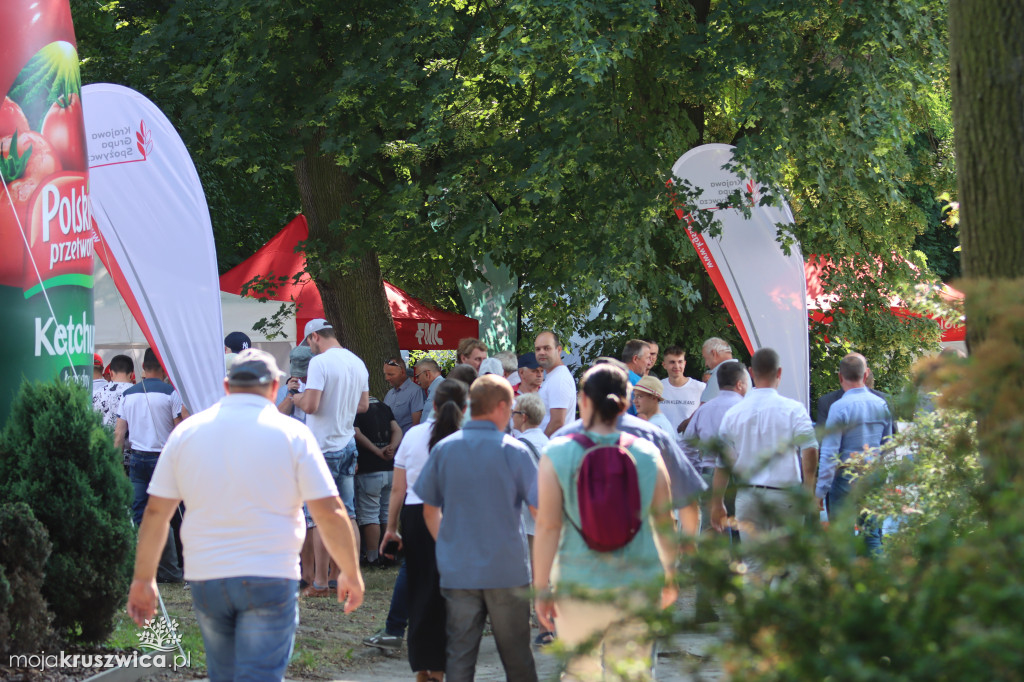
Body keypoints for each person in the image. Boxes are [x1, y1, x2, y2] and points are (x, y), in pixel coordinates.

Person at [127, 349, 364, 682]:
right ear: (274, 388)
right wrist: (350, 572)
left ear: (226, 386)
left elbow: (155, 512)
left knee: (223, 675)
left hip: (207, 575)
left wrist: (143, 579)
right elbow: (329, 511)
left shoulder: (187, 432)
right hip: (270, 573)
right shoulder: (293, 435)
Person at [533, 363, 679, 680]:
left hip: (577, 584)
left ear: (583, 401)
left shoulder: (556, 452)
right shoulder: (648, 453)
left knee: (578, 672)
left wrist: (541, 587)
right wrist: (669, 574)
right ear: (626, 405)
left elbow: (547, 526)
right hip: (638, 583)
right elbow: (665, 522)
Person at [416, 375, 539, 682]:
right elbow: (541, 512)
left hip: (459, 570)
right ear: (500, 407)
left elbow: (429, 510)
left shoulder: (443, 449)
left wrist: (446, 545)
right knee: (518, 658)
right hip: (507, 571)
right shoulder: (516, 451)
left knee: (459, 656)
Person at [380, 379, 469, 682]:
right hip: (454, 517)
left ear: (432, 404)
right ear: (465, 408)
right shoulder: (465, 438)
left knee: (419, 590)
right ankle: (443, 667)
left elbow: (398, 489)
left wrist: (392, 528)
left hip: (416, 515)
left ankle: (423, 668)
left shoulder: (414, 435)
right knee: (450, 593)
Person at [288, 319, 369, 595]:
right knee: (349, 514)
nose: (309, 348)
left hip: (322, 448)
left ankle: (320, 582)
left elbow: (310, 405)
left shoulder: (319, 363)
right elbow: (363, 405)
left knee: (320, 518)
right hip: (347, 443)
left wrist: (296, 396)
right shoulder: (357, 362)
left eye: (308, 342)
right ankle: (348, 575)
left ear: (314, 337)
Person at [712, 348, 818, 550]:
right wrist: (808, 488)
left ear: (751, 372)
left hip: (748, 497)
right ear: (779, 372)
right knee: (787, 563)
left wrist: (717, 502)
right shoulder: (794, 409)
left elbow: (723, 462)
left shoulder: (734, 413)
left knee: (753, 565)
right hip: (786, 496)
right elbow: (810, 448)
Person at [680, 360, 749, 621]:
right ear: (741, 383)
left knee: (710, 541)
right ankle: (739, 603)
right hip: (742, 478)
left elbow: (685, 445)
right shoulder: (746, 409)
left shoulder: (704, 410)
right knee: (743, 538)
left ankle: (704, 606)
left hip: (710, 478)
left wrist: (699, 470)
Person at [115, 347, 184, 583]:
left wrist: (115, 465)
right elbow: (178, 429)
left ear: (142, 368)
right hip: (163, 461)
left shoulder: (128, 395)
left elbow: (119, 434)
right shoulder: (171, 393)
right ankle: (171, 569)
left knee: (139, 515)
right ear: (164, 369)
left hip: (136, 461)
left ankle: (143, 567)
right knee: (168, 516)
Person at [816, 353, 894, 554]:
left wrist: (820, 490)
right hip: (873, 475)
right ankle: (877, 581)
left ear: (840, 377)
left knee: (842, 539)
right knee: (873, 537)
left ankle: (847, 584)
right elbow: (889, 446)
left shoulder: (838, 407)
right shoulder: (881, 405)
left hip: (844, 477)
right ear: (866, 374)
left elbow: (829, 453)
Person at [353, 396, 402, 566]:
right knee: (387, 512)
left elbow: (356, 433)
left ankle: (373, 557)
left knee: (369, 514)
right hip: (390, 468)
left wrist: (376, 450)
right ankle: (389, 555)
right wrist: (391, 448)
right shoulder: (383, 406)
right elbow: (397, 429)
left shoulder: (355, 407)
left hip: (370, 468)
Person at [534, 331, 577, 436]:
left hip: (553, 449)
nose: (541, 352)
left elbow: (557, 423)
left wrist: (539, 446)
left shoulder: (560, 379)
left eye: (547, 348)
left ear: (559, 350)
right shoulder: (554, 376)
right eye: (538, 349)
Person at [659, 346, 706, 436]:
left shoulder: (700, 388)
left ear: (684, 363)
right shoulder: (657, 387)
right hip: (664, 445)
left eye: (680, 362)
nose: (676, 366)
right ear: (664, 365)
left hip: (691, 447)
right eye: (672, 362)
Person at [93, 354, 134, 428]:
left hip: (102, 438)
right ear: (132, 374)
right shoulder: (137, 393)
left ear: (111, 373)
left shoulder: (97, 394)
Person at [384, 356, 424, 433]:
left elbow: (416, 425)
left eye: (390, 374)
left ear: (402, 372)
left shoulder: (415, 391)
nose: (387, 378)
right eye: (385, 374)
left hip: (406, 442)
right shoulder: (389, 393)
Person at [699, 337, 740, 403]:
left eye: (706, 358)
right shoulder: (743, 372)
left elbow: (705, 407)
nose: (706, 364)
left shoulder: (720, 374)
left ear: (714, 353)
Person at [415, 358, 445, 422]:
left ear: (427, 374)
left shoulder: (438, 390)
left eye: (417, 376)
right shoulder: (441, 386)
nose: (417, 380)